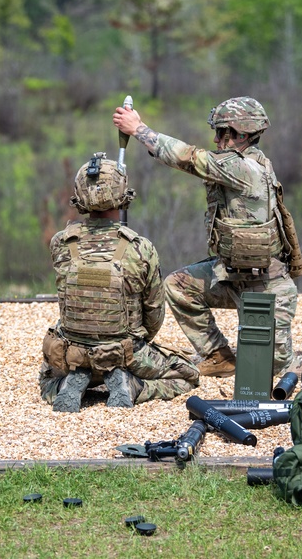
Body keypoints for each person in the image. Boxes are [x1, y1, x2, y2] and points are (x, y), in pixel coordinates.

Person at [113, 96, 302, 380]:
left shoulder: (242, 168)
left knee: (279, 367)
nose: (216, 140)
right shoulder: (247, 162)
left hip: (266, 287)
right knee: (178, 287)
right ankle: (218, 357)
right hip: (232, 276)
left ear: (241, 134)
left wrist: (139, 129)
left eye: (222, 133)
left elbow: (187, 158)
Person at [39, 152, 200, 412]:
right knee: (188, 374)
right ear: (124, 196)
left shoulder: (61, 242)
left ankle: (74, 381)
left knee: (47, 381)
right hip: (124, 352)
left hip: (72, 352)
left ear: (79, 197)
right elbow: (154, 316)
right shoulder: (140, 248)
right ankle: (133, 385)